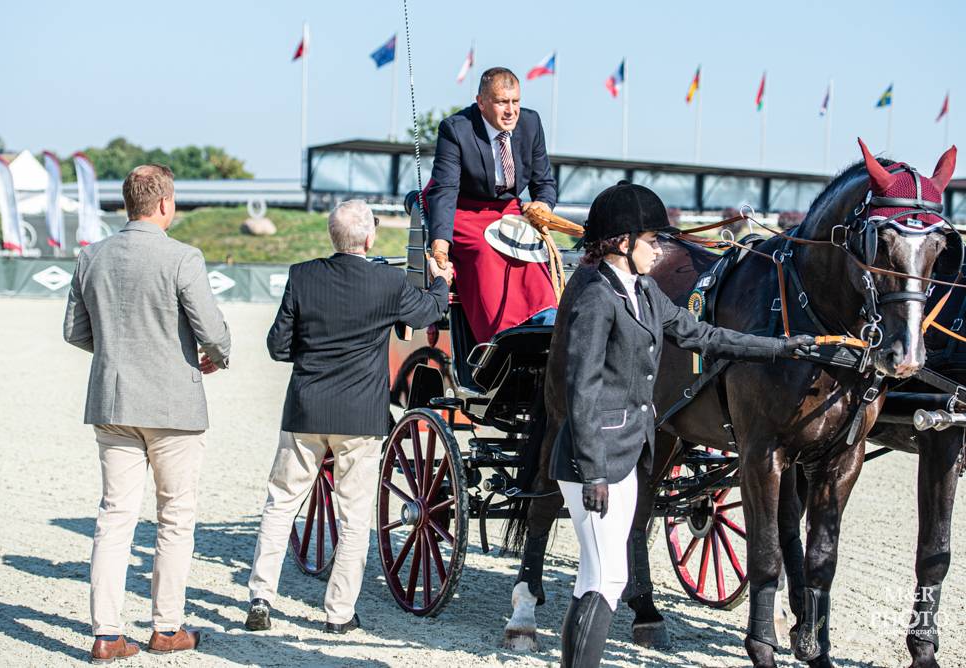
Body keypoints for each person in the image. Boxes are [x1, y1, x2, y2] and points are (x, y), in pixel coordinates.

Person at [547, 182, 816, 668]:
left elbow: (704, 335)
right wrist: (593, 471)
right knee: (605, 576)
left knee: (600, 577)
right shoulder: (595, 299)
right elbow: (580, 389)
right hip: (595, 459)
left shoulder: (646, 292)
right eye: (652, 240)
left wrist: (780, 347)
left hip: (628, 453)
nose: (659, 250)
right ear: (622, 242)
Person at [244, 200, 453, 634]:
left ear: (331, 235)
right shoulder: (388, 282)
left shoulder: (302, 276)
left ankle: (261, 597)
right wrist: (441, 280)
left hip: (306, 409)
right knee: (354, 518)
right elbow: (431, 311)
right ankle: (338, 614)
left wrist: (314, 355)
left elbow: (278, 346)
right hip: (360, 417)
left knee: (280, 504)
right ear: (370, 239)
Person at [63, 164, 231, 663]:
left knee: (114, 517)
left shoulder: (91, 256)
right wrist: (217, 356)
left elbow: (74, 331)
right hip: (173, 406)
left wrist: (117, 353)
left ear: (128, 203)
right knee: (174, 518)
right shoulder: (183, 257)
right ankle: (166, 627)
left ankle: (106, 633)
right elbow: (212, 332)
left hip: (113, 402)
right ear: (163, 204)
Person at [426, 66, 558, 342]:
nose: (511, 110)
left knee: (529, 253)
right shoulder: (455, 129)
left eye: (515, 101)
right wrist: (440, 248)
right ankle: (499, 338)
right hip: (465, 210)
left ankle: (546, 321)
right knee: (484, 252)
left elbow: (544, 182)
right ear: (482, 102)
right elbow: (445, 191)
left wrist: (543, 205)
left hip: (508, 210)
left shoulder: (531, 123)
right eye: (502, 102)